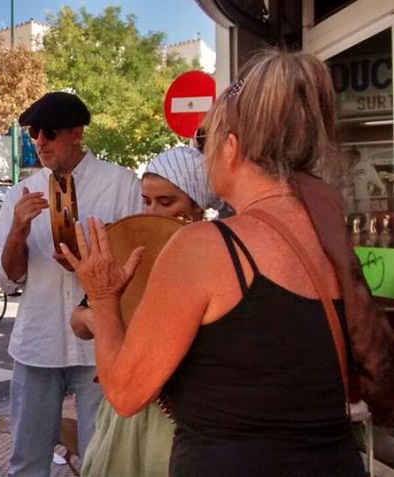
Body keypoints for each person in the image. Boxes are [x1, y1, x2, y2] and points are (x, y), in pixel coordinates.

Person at [64, 50, 365, 476]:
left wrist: (102, 296)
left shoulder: (205, 246)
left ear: (232, 147)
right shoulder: (328, 234)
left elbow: (126, 392)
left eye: (209, 141)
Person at [0, 91, 142, 476]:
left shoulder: (122, 185)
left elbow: (139, 262)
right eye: (32, 133)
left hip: (100, 344)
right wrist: (17, 231)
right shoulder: (19, 195)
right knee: (27, 458)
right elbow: (7, 278)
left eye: (49, 133)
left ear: (76, 133)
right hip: (38, 341)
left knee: (101, 459)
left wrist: (90, 261)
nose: (39, 141)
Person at [71, 146, 215, 477]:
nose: (152, 210)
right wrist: (100, 318)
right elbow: (78, 320)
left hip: (180, 413)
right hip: (126, 408)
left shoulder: (214, 257)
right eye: (146, 201)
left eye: (167, 202)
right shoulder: (127, 247)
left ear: (196, 206)